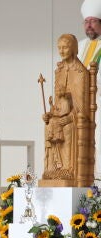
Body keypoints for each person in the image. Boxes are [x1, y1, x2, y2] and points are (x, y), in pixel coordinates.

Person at [42, 34, 91, 182]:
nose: (61, 51)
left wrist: (70, 118)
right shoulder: (60, 71)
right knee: (49, 125)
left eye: (65, 47)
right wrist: (50, 114)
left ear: (73, 48)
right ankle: (53, 169)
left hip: (76, 119)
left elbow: (82, 106)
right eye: (59, 48)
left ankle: (68, 169)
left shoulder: (81, 72)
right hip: (61, 117)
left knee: (67, 128)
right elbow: (59, 104)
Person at [79, 0, 101, 177]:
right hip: (81, 105)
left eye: (93, 21)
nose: (89, 26)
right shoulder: (78, 46)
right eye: (86, 22)